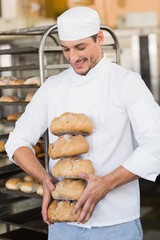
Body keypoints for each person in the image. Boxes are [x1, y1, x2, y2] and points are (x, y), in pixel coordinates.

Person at [5, 6, 160, 240]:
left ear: (99, 38)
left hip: (115, 223)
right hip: (62, 224)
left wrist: (107, 183)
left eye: (80, 47)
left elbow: (156, 143)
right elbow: (17, 142)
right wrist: (44, 179)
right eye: (66, 49)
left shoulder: (127, 83)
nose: (73, 57)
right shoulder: (53, 87)